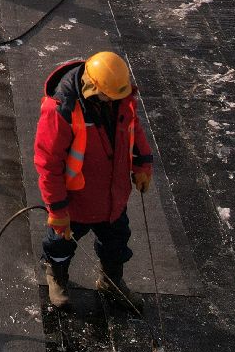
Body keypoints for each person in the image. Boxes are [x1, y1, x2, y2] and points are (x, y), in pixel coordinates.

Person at [33, 51, 155, 311]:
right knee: (60, 244)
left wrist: (142, 165)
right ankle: (57, 276)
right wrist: (57, 210)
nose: (116, 100)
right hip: (76, 200)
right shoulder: (62, 109)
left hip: (113, 196)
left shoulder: (120, 99)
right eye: (110, 96)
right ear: (94, 88)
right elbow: (48, 164)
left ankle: (111, 282)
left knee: (116, 242)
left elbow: (133, 129)